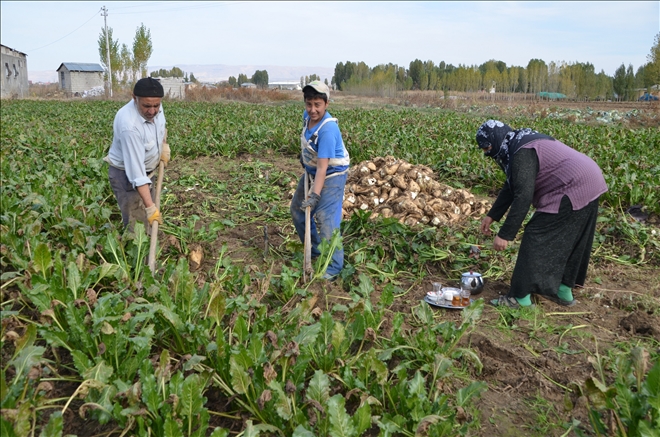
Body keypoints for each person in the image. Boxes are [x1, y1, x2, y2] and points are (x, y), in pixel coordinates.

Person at [476, 120, 607, 308]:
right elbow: (513, 184)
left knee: (535, 235)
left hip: (572, 185)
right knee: (570, 239)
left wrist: (505, 234)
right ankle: (563, 290)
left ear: (495, 139)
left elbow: (523, 196)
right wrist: (492, 215)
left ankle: (519, 297)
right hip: (590, 180)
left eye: (487, 147)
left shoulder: (520, 153)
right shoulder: (518, 142)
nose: (487, 152)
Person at [290, 81, 350, 281]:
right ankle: (315, 250)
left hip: (332, 175)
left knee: (326, 219)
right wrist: (304, 158)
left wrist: (315, 195)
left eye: (318, 105)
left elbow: (324, 167)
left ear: (327, 104)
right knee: (298, 210)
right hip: (312, 171)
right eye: (309, 104)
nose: (313, 109)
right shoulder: (307, 117)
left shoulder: (328, 130)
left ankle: (334, 267)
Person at [105, 77, 170, 232]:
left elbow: (160, 128)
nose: (152, 111)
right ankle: (138, 251)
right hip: (126, 176)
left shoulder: (156, 109)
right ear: (134, 98)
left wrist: (162, 147)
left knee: (149, 217)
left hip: (148, 172)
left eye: (156, 105)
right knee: (137, 223)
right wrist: (150, 208)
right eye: (147, 106)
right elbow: (136, 173)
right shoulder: (130, 126)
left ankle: (148, 240)